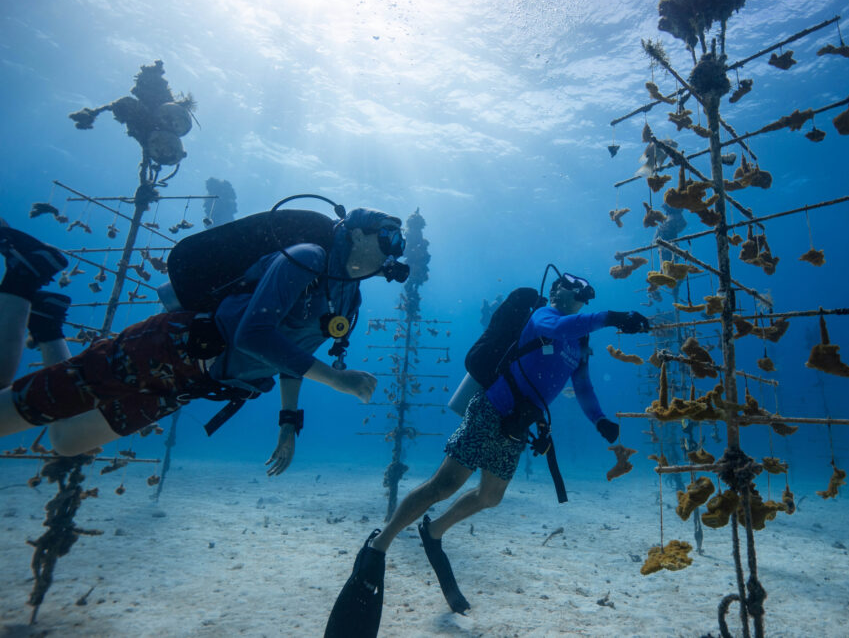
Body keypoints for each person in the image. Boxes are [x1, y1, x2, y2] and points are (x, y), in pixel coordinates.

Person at [325, 270, 649, 637]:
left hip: (518, 424)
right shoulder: (544, 316)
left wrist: (600, 420)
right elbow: (560, 329)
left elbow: (583, 385)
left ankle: (434, 531)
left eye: (569, 291)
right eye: (557, 287)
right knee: (444, 484)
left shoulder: (581, 340)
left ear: (582, 299)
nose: (559, 293)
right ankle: (379, 544)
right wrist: (615, 317)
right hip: (491, 409)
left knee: (491, 497)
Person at [0, 208, 406, 474]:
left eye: (398, 243)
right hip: (167, 349)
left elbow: (293, 359)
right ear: (354, 233)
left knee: (67, 441)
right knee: (7, 412)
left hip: (194, 384)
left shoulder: (348, 296)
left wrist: (287, 426)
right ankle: (23, 274)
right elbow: (252, 334)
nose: (394, 250)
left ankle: (48, 323)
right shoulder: (306, 258)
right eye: (387, 237)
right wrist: (338, 380)